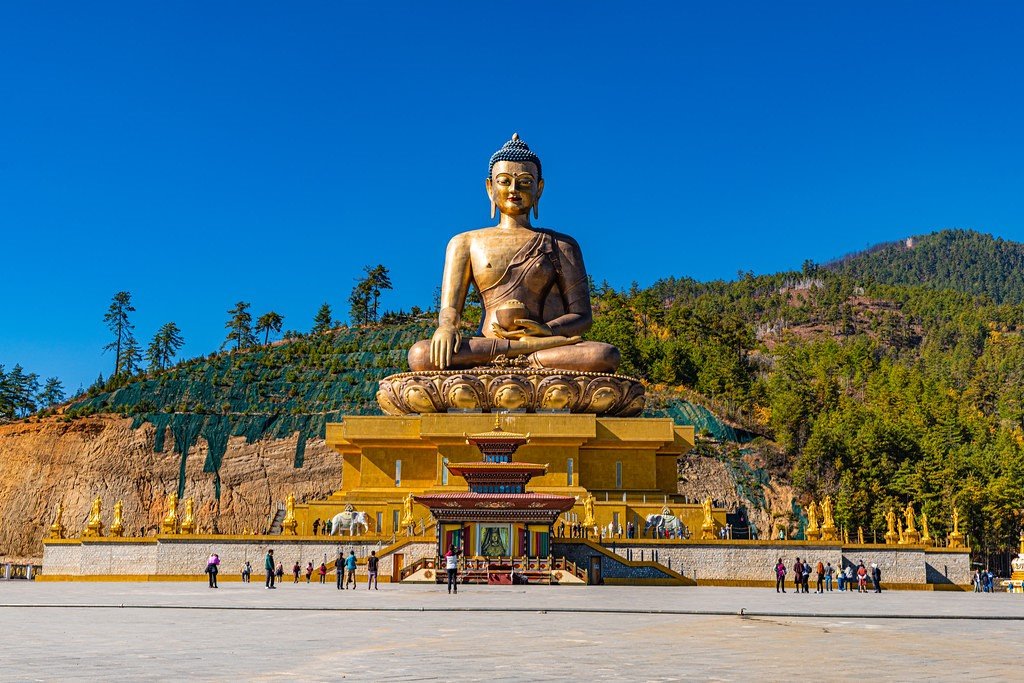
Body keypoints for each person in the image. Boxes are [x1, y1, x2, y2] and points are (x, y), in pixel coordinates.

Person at [406, 133, 621, 374]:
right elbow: (450, 309)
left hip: (544, 347)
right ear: (489, 187)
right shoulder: (465, 242)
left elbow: (582, 316)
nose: (514, 189)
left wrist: (547, 332)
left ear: (539, 189)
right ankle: (520, 359)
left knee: (603, 355)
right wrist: (446, 327)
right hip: (489, 344)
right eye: (504, 181)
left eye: (525, 182)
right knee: (422, 354)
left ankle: (513, 362)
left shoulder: (561, 245)